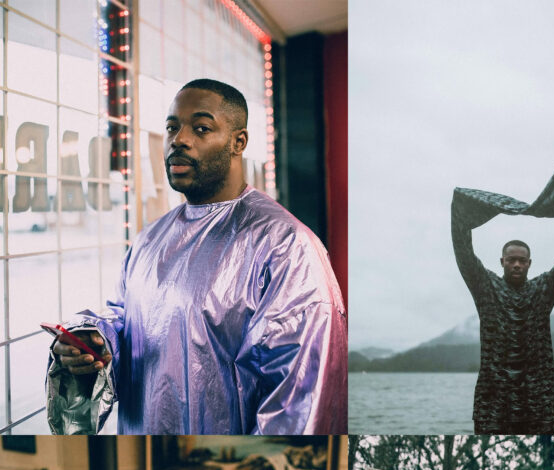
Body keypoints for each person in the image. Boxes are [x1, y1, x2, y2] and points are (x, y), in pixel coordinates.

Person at [46, 78, 347, 435]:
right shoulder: (148, 240)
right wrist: (94, 343)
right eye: (172, 127)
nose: (179, 139)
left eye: (201, 128)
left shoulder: (287, 246)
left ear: (238, 142)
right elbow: (127, 321)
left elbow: (301, 402)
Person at [452, 200, 554, 435]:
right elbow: (463, 251)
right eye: (511, 260)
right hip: (494, 403)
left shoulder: (543, 288)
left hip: (536, 403)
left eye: (522, 261)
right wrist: (462, 214)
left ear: (529, 264)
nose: (516, 265)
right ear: (502, 262)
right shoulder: (485, 286)